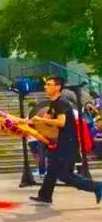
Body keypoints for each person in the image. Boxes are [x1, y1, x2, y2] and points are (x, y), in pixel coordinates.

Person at [29, 77, 102, 205]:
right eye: (46, 84)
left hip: (67, 144)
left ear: (57, 87)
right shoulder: (54, 103)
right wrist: (22, 123)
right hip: (62, 143)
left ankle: (97, 187)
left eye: (49, 84)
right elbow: (44, 118)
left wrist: (41, 120)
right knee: (52, 169)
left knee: (65, 175)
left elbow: (61, 122)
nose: (45, 87)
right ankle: (45, 196)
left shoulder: (61, 103)